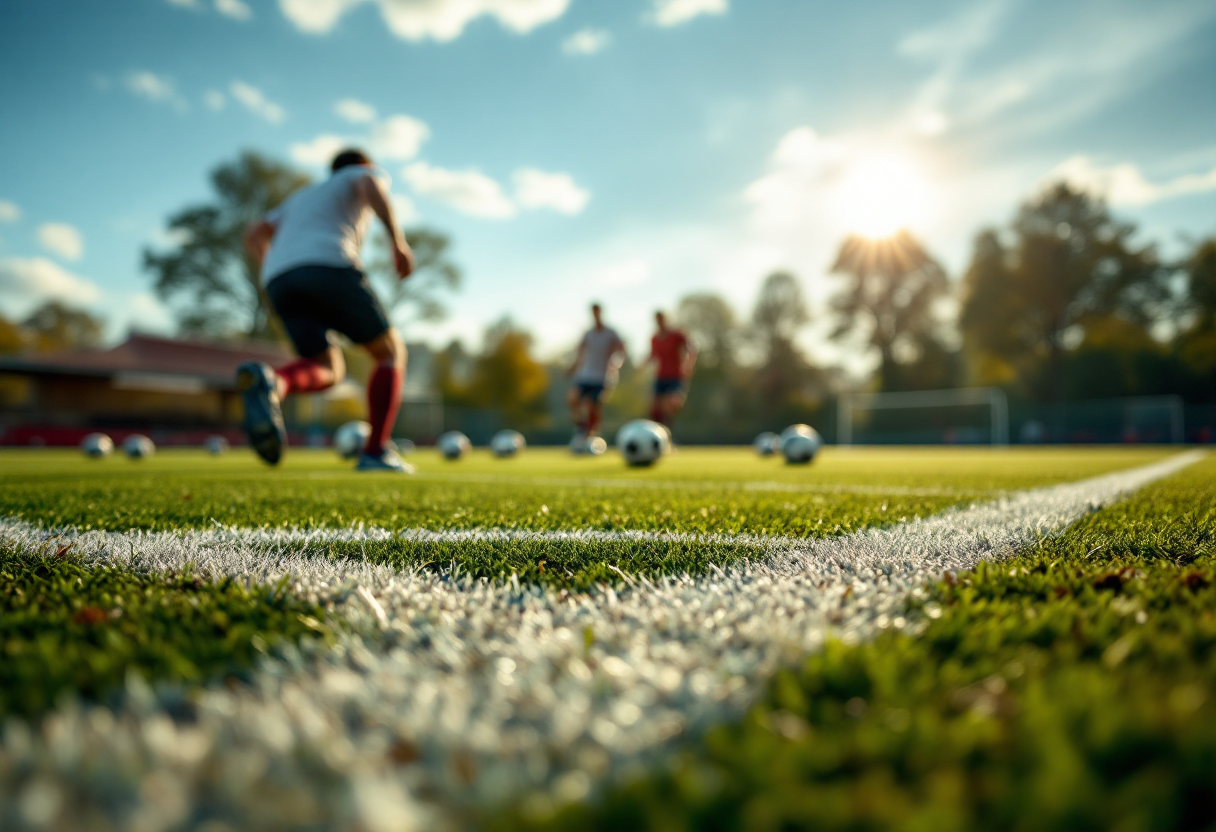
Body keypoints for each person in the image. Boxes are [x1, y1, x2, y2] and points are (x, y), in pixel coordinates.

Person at [237, 148, 415, 472]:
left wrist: (269, 269)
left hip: (279, 279)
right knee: (390, 353)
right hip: (327, 264)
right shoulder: (361, 174)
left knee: (328, 368)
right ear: (365, 164)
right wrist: (397, 242)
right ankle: (375, 453)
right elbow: (371, 188)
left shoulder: (300, 198)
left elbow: (254, 232)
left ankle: (274, 383)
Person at [567, 303, 626, 450]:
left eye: (597, 312)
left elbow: (621, 350)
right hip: (586, 375)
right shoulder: (588, 334)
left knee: (592, 405)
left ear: (600, 313)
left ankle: (591, 435)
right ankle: (582, 429)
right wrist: (574, 366)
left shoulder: (610, 333)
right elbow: (580, 351)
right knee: (573, 399)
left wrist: (616, 363)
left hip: (603, 377)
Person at [645, 310, 696, 431]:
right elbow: (652, 355)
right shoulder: (655, 338)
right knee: (655, 408)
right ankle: (658, 434)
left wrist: (689, 365)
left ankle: (668, 432)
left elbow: (691, 350)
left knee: (670, 403)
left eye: (661, 319)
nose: (659, 323)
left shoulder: (677, 335)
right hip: (660, 376)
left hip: (676, 376)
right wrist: (642, 365)